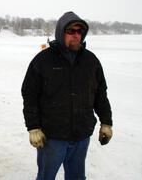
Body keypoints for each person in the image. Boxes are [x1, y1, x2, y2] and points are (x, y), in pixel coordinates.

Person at [21, 11, 113, 180]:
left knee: (77, 177)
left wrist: (106, 122)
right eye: (71, 31)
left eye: (79, 32)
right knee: (46, 177)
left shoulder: (91, 61)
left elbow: (100, 94)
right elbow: (30, 95)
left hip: (81, 136)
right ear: (61, 32)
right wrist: (33, 127)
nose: (76, 36)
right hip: (52, 137)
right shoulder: (43, 60)